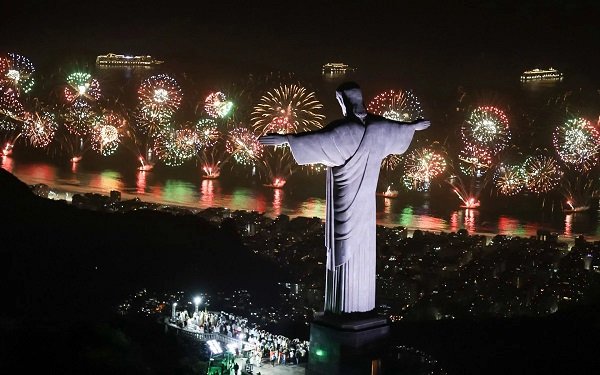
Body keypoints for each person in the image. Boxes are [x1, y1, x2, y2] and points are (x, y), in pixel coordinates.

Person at [259, 82, 429, 313]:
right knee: (362, 251)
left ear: (342, 101)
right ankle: (360, 309)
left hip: (344, 202)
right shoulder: (380, 127)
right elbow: (399, 130)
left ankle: (343, 311)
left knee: (343, 250)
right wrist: (412, 127)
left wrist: (287, 139)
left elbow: (316, 141)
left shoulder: (344, 131)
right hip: (367, 208)